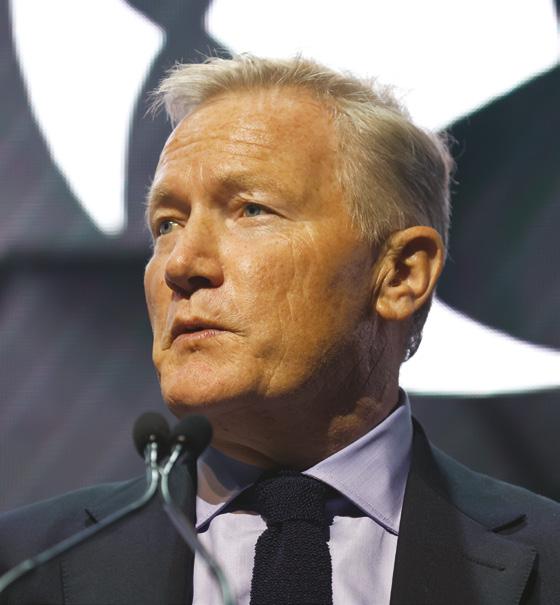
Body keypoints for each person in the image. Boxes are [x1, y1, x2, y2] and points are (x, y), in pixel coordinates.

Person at [0, 55, 559, 605]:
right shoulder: (22, 568)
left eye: (251, 210)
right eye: (167, 224)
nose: (181, 264)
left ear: (400, 275)